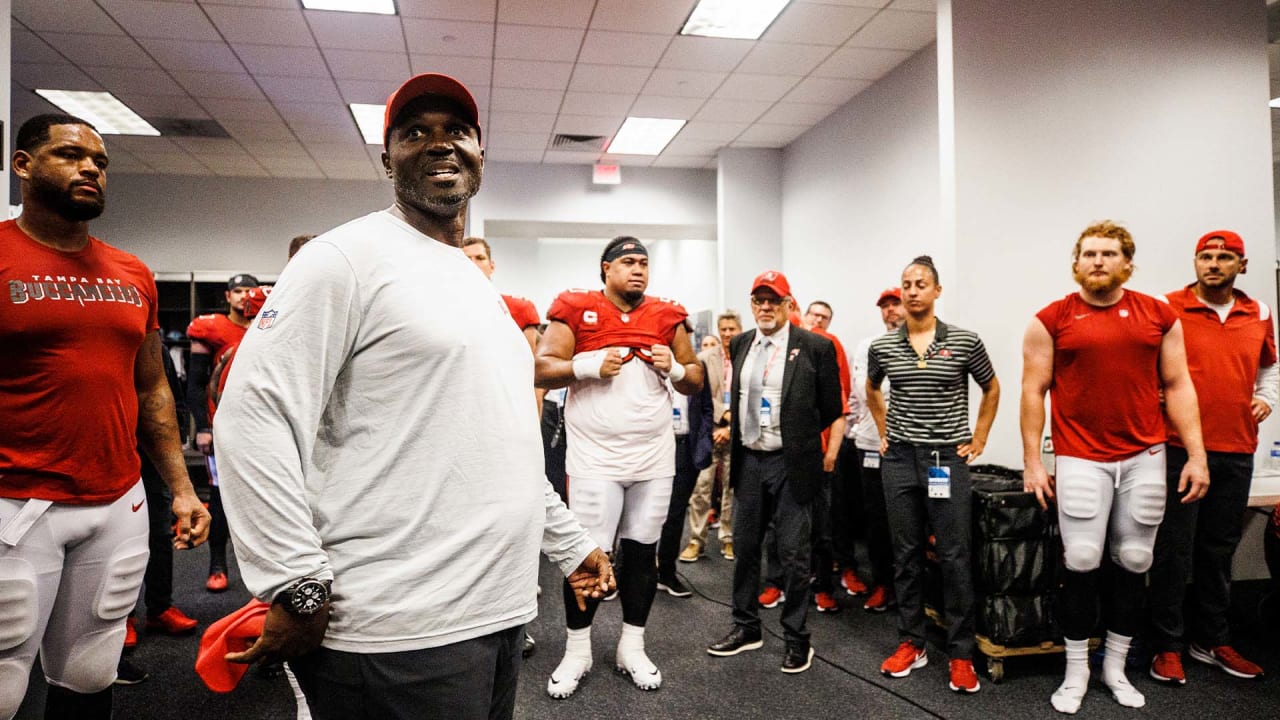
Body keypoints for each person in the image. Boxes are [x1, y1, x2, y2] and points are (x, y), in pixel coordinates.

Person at [212, 73, 614, 720]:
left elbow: (497, 439)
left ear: (481, 153)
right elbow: (253, 417)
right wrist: (295, 582)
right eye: (414, 133)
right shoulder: (344, 258)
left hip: (495, 614)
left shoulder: (472, 282)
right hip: (394, 630)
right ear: (386, 156)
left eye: (456, 131)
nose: (439, 144)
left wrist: (568, 545)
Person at [0, 113, 209, 720]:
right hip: (16, 502)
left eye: (100, 161)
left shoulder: (131, 273)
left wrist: (182, 489)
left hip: (116, 500)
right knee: (5, 682)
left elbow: (152, 391)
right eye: (70, 155)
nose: (91, 167)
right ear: (23, 165)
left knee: (91, 671)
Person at [1021, 221, 1209, 714]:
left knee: (1136, 560)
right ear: (1076, 263)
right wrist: (1032, 463)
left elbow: (1179, 385)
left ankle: (1115, 666)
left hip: (1144, 455)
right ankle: (1076, 669)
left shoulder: (1159, 316)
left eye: (1108, 253)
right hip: (1081, 455)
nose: (1098, 261)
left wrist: (1196, 454)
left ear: (1127, 262)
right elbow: (1032, 390)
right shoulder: (1051, 318)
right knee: (1081, 558)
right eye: (1089, 254)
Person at [535, 235, 704, 697]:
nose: (638, 270)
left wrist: (673, 368)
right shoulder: (575, 307)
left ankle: (633, 645)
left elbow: (695, 379)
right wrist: (587, 364)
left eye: (644, 263)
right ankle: (577, 650)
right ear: (605, 268)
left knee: (643, 554)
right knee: (586, 556)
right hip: (594, 458)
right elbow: (541, 367)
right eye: (628, 262)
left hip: (652, 456)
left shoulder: (669, 315)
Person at [1147, 230, 1275, 683]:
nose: (1214, 264)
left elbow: (1268, 365)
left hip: (1237, 448)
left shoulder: (1259, 311)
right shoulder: (1167, 307)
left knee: (1219, 551)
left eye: (1225, 257)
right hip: (1179, 450)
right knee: (1173, 551)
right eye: (1206, 256)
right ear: (1195, 261)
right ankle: (1166, 645)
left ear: (1242, 264)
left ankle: (1212, 639)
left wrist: (1267, 396)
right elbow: (1148, 366)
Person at [867, 255, 999, 694]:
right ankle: (912, 642)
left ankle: (961, 653)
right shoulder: (883, 346)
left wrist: (978, 437)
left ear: (937, 291)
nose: (912, 290)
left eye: (921, 283)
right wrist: (885, 434)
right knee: (904, 555)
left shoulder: (964, 340)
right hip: (900, 460)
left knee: (954, 555)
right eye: (906, 283)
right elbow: (872, 388)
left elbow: (991, 386)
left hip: (946, 460)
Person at [706, 271, 844, 675]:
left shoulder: (814, 346)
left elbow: (831, 407)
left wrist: (804, 440)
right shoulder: (743, 343)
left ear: (787, 305)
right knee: (746, 548)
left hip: (791, 462)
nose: (765, 308)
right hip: (749, 459)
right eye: (758, 301)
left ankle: (797, 638)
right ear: (752, 304)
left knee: (794, 554)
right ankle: (746, 627)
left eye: (773, 301)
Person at [460, 235, 544, 658]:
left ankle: (518, 618)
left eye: (480, 257)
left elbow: (532, 372)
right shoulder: (448, 304)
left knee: (515, 523)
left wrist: (528, 426)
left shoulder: (517, 308)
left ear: (492, 265)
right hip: (467, 431)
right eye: (466, 257)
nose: (473, 263)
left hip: (515, 425)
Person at [187, 271, 261, 593]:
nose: (245, 296)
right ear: (228, 296)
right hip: (223, 427)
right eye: (238, 291)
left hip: (262, 426)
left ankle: (261, 570)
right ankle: (218, 564)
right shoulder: (211, 328)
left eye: (250, 290)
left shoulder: (268, 324)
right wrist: (203, 427)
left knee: (263, 500)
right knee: (219, 498)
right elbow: (195, 382)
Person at [847, 287, 907, 612]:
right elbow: (863, 391)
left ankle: (910, 589)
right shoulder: (867, 346)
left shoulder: (919, 344)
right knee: (876, 518)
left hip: (909, 448)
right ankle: (883, 583)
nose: (889, 311)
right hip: (871, 444)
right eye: (884, 306)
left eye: (894, 304)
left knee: (909, 522)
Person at [682, 311, 743, 562]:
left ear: (740, 329)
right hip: (709, 432)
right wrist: (722, 418)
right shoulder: (704, 359)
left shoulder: (747, 356)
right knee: (701, 488)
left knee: (731, 488)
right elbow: (701, 397)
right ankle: (696, 540)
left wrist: (731, 425)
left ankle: (727, 538)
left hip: (737, 434)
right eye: (724, 329)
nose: (728, 333)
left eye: (732, 328)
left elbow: (750, 395)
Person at [657, 358, 715, 598]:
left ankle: (666, 574)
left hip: (685, 448)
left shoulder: (695, 366)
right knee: (639, 511)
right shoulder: (648, 360)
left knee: (675, 513)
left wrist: (703, 444)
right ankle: (623, 573)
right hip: (655, 446)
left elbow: (706, 407)